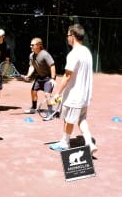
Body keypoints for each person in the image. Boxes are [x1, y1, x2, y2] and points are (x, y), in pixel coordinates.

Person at [49, 24, 98, 155]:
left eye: (68, 35)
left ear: (73, 36)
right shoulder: (87, 51)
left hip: (74, 95)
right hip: (84, 95)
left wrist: (57, 93)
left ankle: (65, 142)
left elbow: (67, 75)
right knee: (81, 119)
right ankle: (89, 142)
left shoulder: (73, 54)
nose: (67, 38)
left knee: (68, 119)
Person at [23, 37, 57, 121]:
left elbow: (52, 66)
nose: (30, 46)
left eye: (32, 45)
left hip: (48, 77)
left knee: (47, 94)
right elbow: (32, 66)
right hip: (39, 77)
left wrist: (53, 78)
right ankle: (34, 108)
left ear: (38, 45)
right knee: (33, 91)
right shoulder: (31, 55)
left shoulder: (45, 54)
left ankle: (50, 113)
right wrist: (28, 75)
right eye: (30, 45)